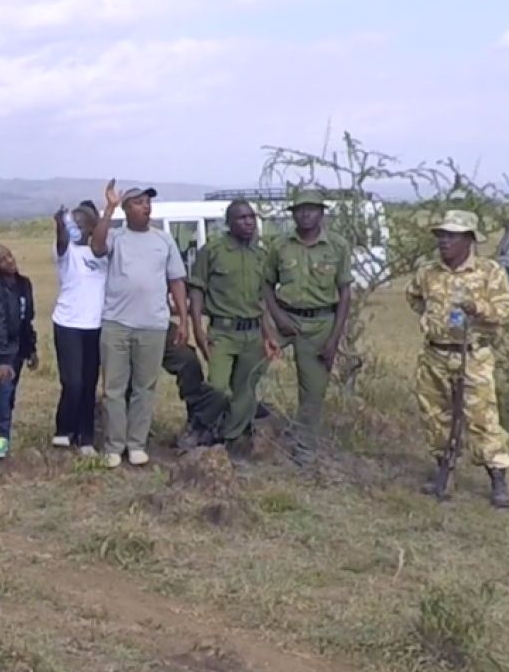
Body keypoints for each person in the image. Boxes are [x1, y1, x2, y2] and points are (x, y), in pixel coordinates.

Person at [406, 211, 509, 507]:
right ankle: (444, 470)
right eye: (441, 235)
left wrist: (479, 308)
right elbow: (414, 297)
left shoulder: (489, 271)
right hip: (435, 354)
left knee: (482, 417)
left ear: (469, 239)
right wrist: (433, 321)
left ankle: (498, 479)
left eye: (452, 235)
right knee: (436, 415)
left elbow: (508, 309)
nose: (444, 241)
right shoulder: (427, 271)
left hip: (473, 355)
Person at [89, 181, 189, 468]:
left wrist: (182, 319)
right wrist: (107, 209)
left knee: (145, 387)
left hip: (153, 325)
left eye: (148, 201)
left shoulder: (164, 240)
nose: (146, 206)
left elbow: (176, 281)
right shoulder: (116, 238)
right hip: (116, 323)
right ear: (126, 209)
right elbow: (96, 248)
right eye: (138, 202)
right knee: (114, 389)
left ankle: (136, 444)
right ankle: (113, 445)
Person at [261, 189, 353, 461]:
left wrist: (334, 339)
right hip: (284, 317)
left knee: (312, 391)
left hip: (320, 323)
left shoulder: (337, 246)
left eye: (311, 209)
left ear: (322, 213)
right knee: (248, 368)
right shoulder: (280, 246)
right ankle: (244, 428)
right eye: (300, 209)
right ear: (293, 214)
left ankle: (305, 448)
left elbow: (345, 293)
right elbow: (266, 284)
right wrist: (277, 318)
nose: (305, 214)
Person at [188, 201, 278, 454]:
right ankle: (199, 426)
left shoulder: (261, 255)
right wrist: (198, 329)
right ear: (229, 223)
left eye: (251, 217)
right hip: (223, 332)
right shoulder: (212, 251)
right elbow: (197, 290)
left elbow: (263, 299)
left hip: (253, 333)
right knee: (216, 387)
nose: (248, 222)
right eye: (241, 218)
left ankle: (228, 440)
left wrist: (269, 335)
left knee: (245, 391)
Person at [51, 201, 106, 454]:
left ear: (94, 228)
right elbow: (62, 241)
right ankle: (64, 428)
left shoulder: (103, 254)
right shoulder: (67, 251)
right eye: (76, 224)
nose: (79, 229)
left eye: (84, 224)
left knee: (89, 383)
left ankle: (85, 437)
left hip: (95, 325)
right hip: (68, 324)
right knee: (72, 382)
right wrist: (60, 224)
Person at [0, 244, 38, 460]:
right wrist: (2, 360)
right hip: (0, 349)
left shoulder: (24, 284)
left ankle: (5, 429)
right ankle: (1, 437)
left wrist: (31, 349)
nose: (9, 261)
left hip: (19, 347)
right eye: (2, 259)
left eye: (10, 256)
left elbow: (28, 319)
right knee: (4, 388)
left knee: (11, 391)